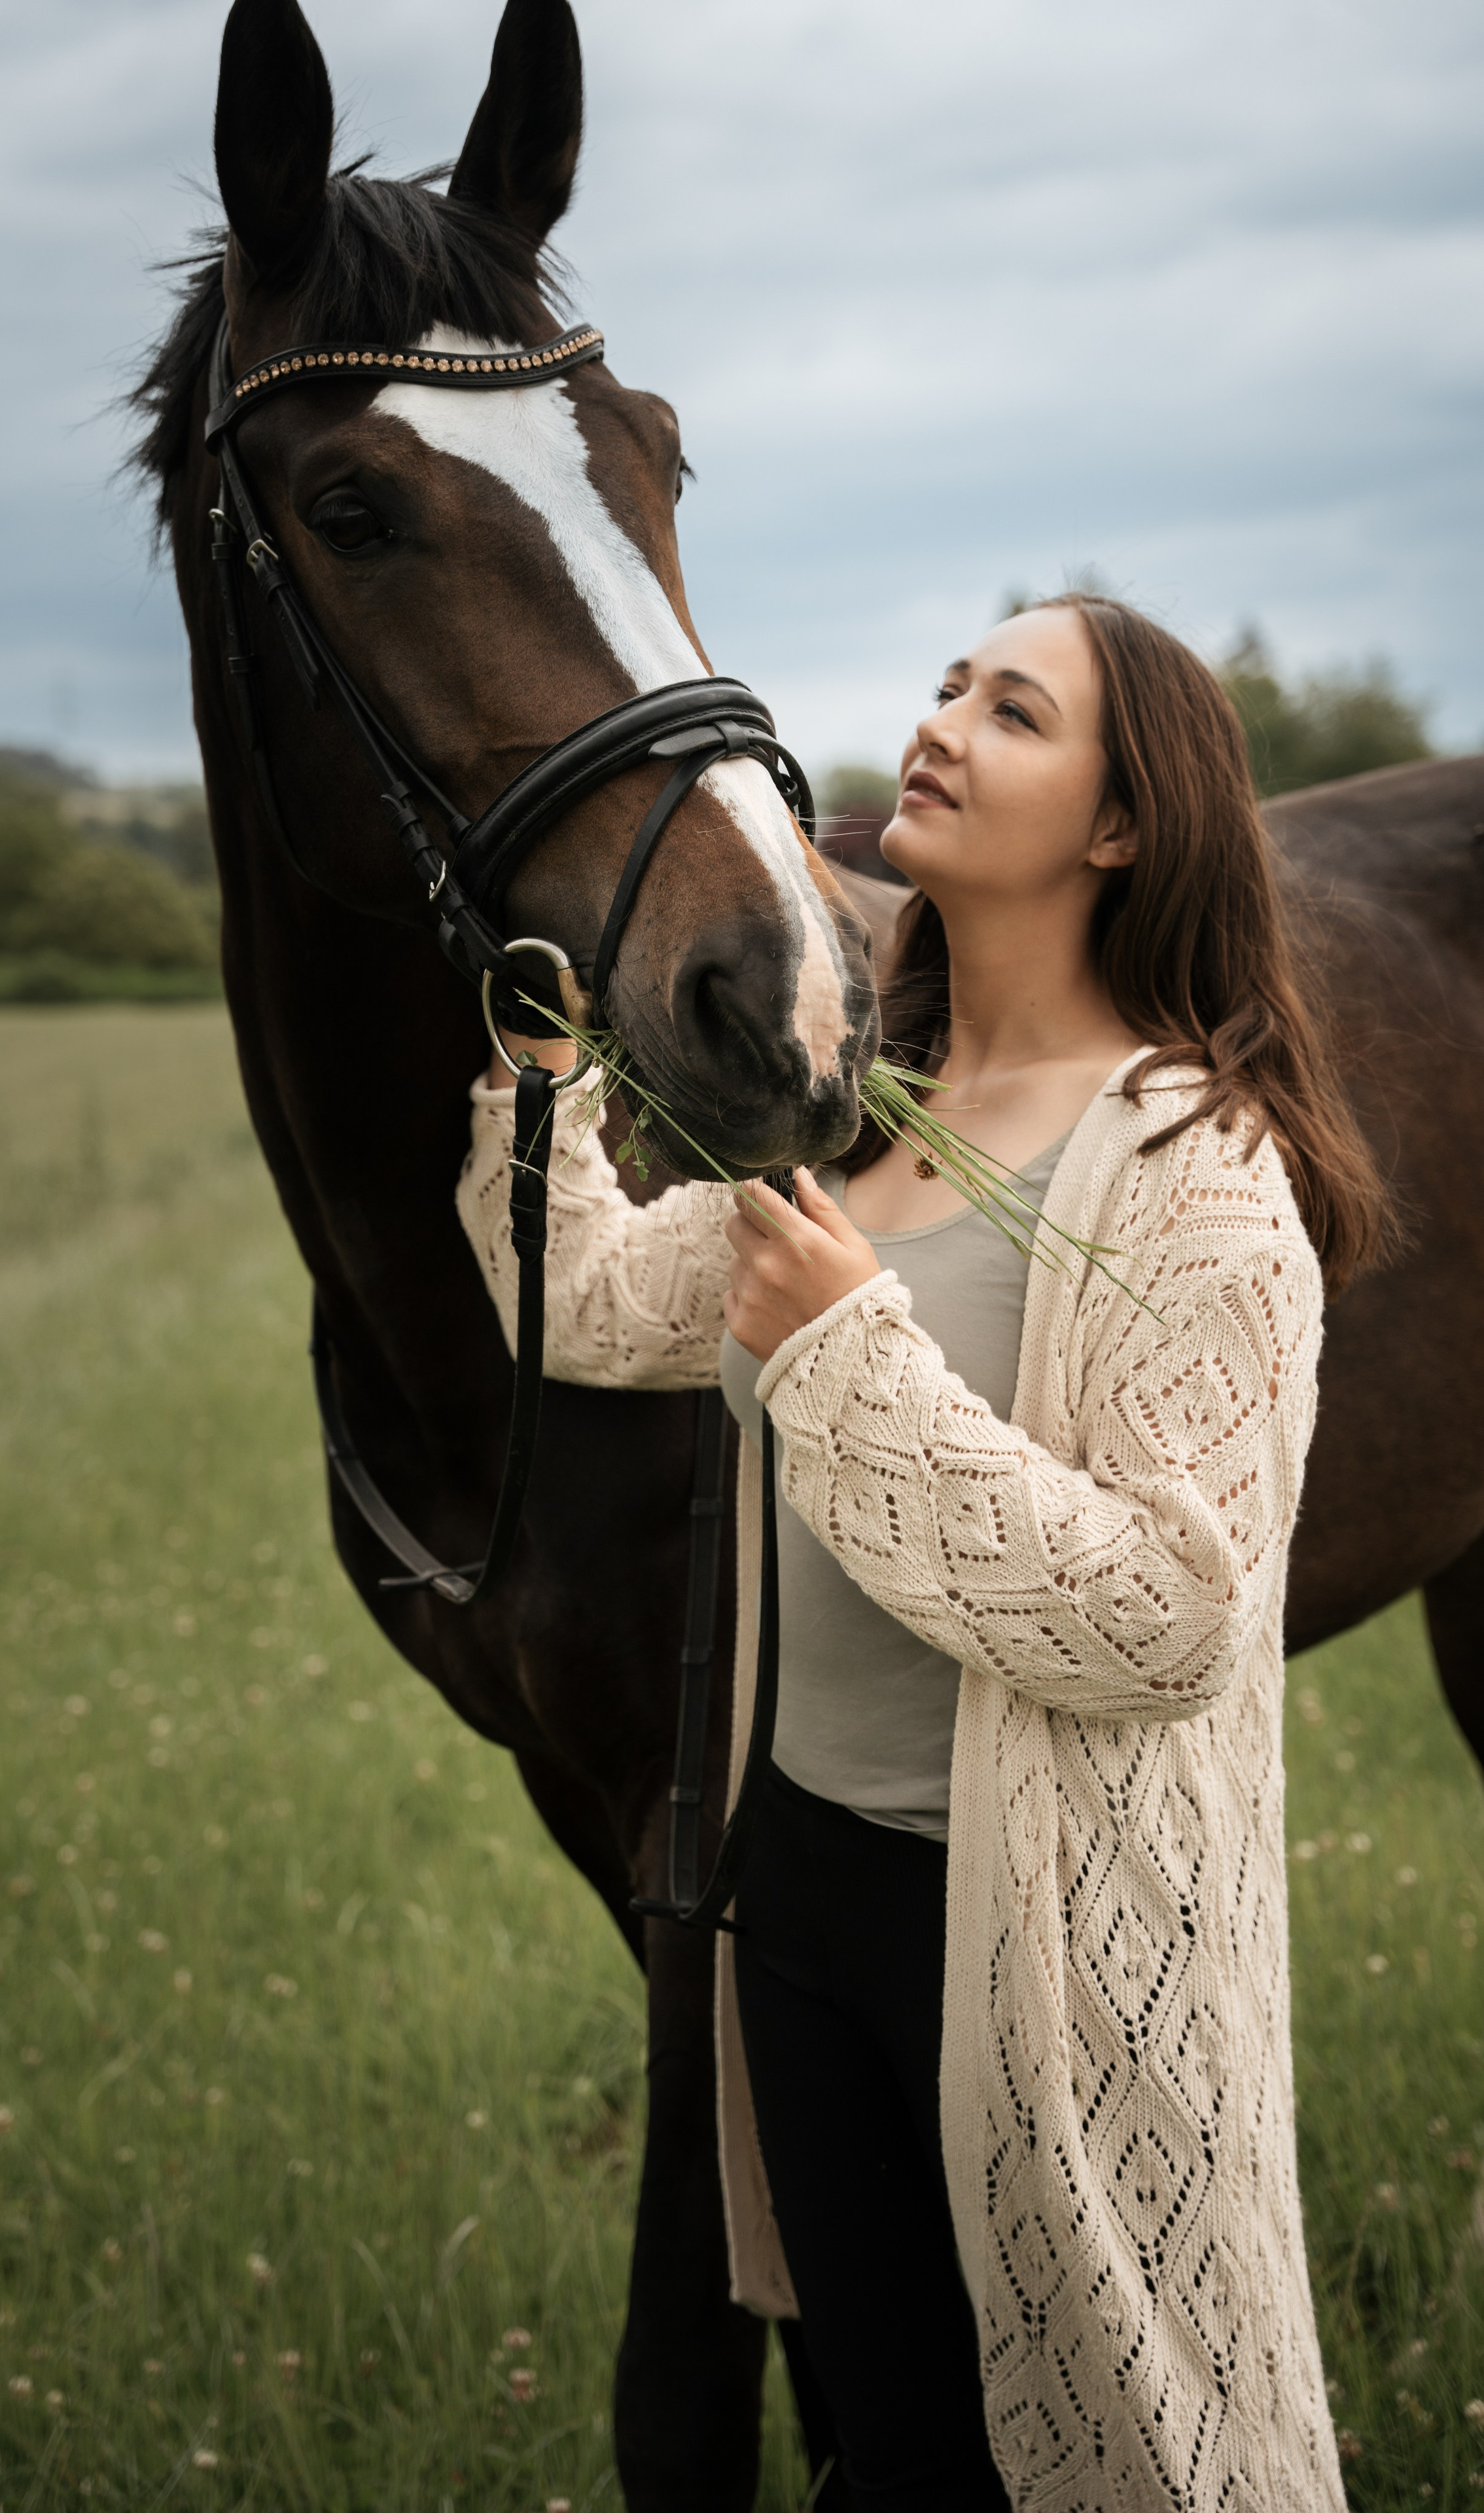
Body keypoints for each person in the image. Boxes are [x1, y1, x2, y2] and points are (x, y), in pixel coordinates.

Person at [457, 592, 1390, 2509]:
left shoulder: (1198, 1167)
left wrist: (847, 1359)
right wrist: (541, 1082)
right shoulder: (863, 1121)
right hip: (796, 1886)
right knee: (889, 2444)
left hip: (1031, 1927)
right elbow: (592, 1308)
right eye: (953, 683)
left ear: (1122, 827)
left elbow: (1166, 1617)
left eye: (1016, 708)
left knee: (1106, 2437)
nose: (946, 719)